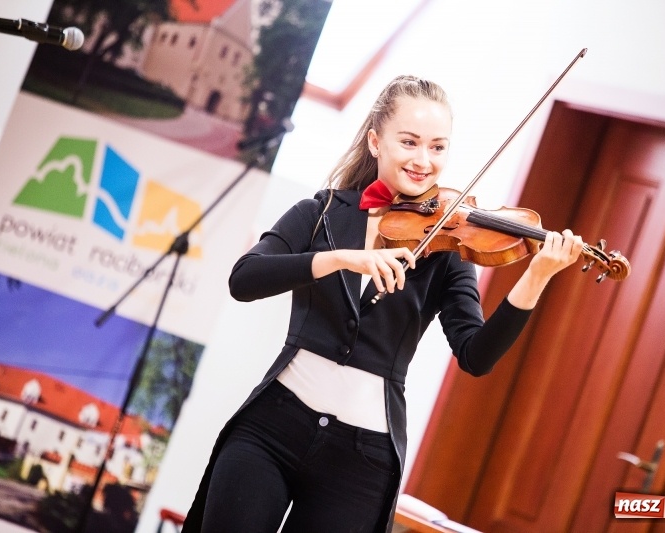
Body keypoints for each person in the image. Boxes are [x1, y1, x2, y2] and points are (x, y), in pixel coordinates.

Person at [183, 75, 583, 533]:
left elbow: (477, 356)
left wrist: (536, 277)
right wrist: (338, 259)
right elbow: (244, 280)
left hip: (361, 460)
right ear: (375, 141)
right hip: (272, 428)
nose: (423, 160)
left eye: (438, 148)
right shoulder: (321, 214)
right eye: (409, 142)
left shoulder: (448, 252)